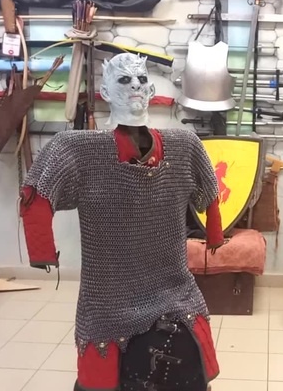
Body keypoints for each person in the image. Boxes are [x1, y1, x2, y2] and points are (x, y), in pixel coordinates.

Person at [19, 53, 223, 391]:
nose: (135, 87)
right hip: (109, 298)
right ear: (105, 92)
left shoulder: (184, 144)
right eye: (125, 80)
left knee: (190, 360)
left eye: (141, 80)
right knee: (105, 374)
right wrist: (41, 249)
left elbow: (210, 191)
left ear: (152, 90)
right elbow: (36, 194)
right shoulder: (79, 149)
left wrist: (214, 231)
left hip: (174, 286)